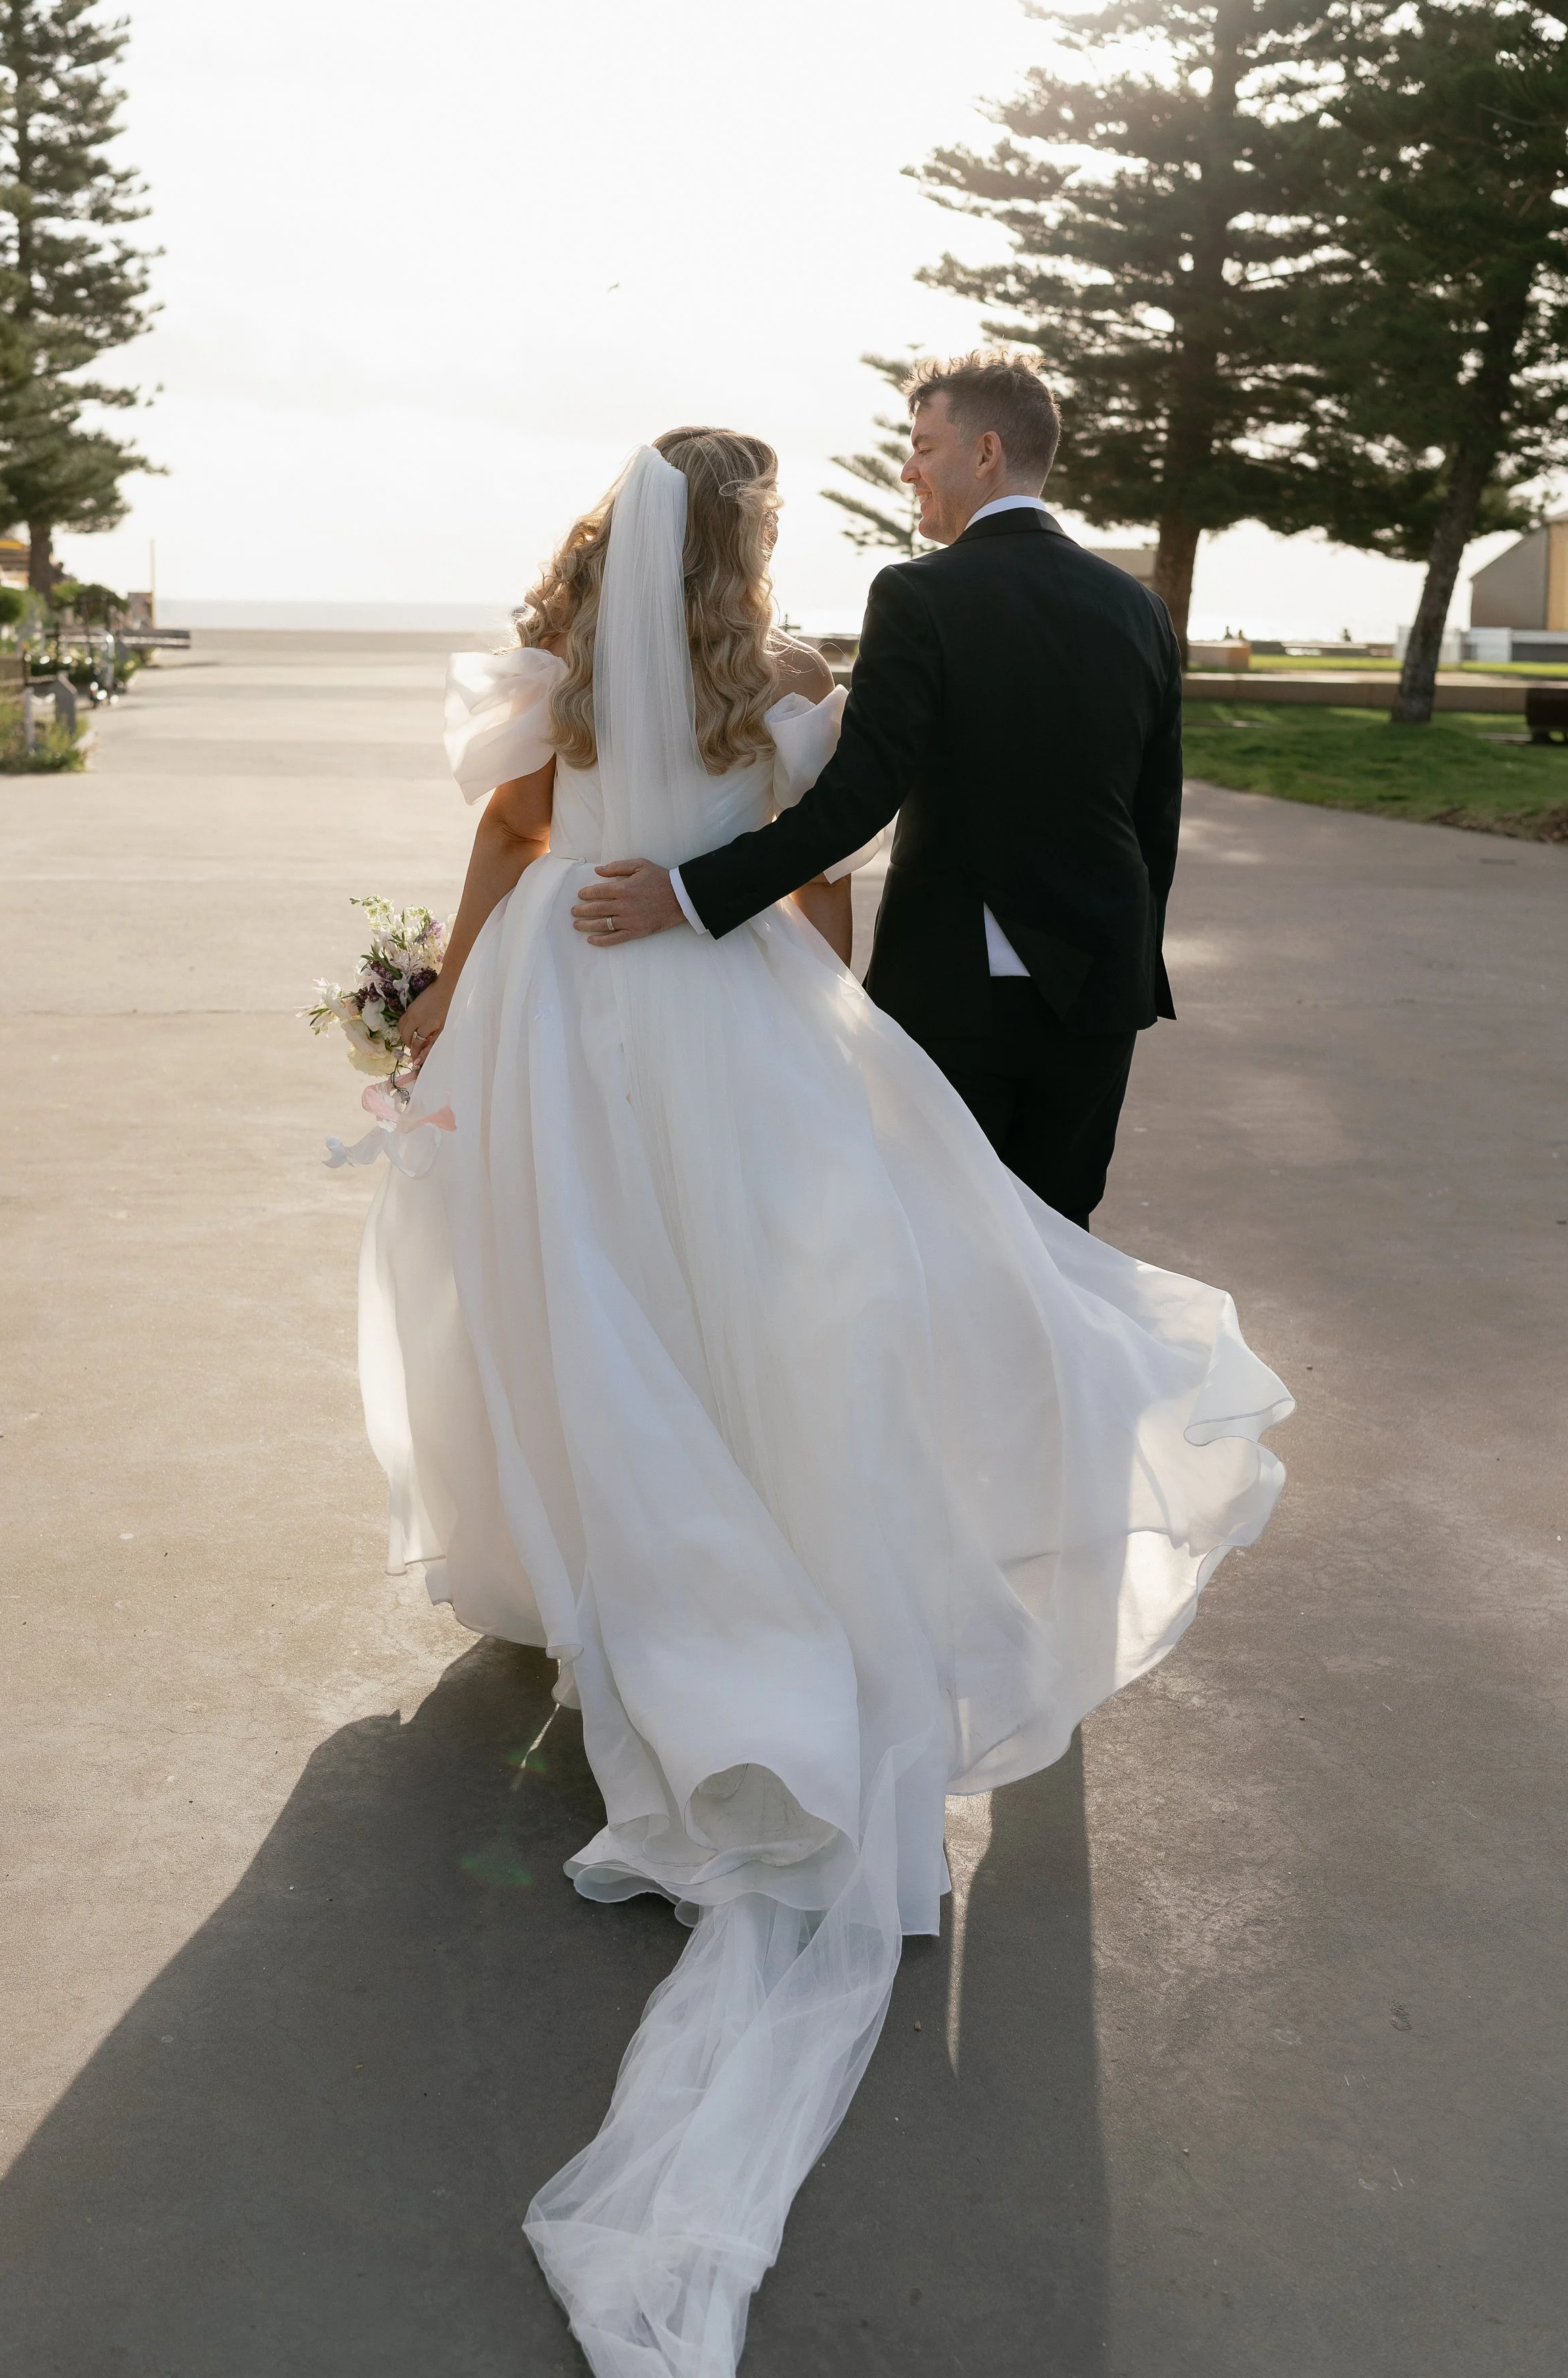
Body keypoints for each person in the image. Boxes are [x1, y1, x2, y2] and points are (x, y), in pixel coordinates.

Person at [343, 429, 1289, 2378]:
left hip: (557, 1016)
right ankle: (729, 1573)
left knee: (567, 1308)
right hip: (713, 1010)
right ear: (744, 545)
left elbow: (516, 830)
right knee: (733, 1310)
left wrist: (445, 983)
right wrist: (829, 1046)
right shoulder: (779, 688)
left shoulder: (567, 669)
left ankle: (597, 1561)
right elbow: (826, 891)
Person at [570, 350, 1181, 1231]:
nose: (907, 469)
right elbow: (1156, 812)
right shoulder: (1140, 608)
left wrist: (684, 893)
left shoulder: (917, 595)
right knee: (1062, 1247)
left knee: (941, 1239)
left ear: (986, 453)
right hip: (1098, 990)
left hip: (956, 992)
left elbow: (856, 802)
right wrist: (1130, 948)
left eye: (925, 446)